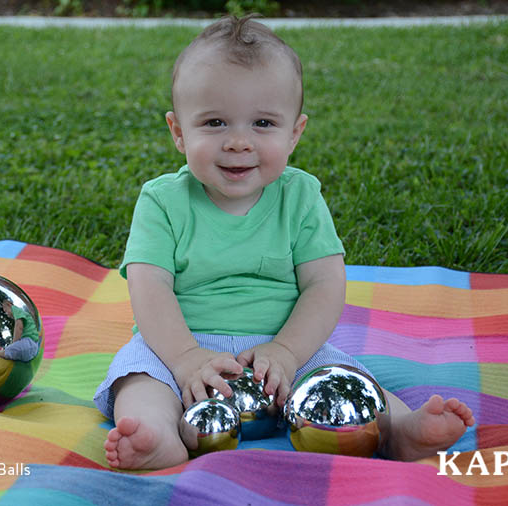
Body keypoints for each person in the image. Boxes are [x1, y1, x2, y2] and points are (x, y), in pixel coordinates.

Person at [93, 15, 474, 470]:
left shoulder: (300, 197)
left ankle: (399, 430)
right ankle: (157, 438)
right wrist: (185, 358)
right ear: (179, 132)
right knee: (138, 384)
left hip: (285, 348)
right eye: (214, 122)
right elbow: (149, 288)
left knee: (346, 382)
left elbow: (323, 284)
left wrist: (290, 351)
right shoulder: (162, 201)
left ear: (295, 133)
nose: (238, 142)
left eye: (262, 123)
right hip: (179, 346)